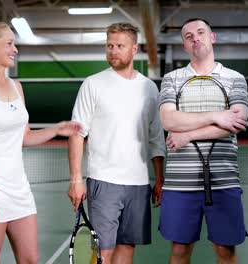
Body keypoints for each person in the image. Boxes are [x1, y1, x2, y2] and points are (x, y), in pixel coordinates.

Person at [0, 21, 82, 263]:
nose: (15, 49)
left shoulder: (17, 87)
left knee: (30, 259)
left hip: (19, 187)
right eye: (9, 43)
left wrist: (57, 128)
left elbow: (25, 137)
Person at [67, 22, 165, 264]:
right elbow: (77, 133)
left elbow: (155, 137)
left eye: (120, 46)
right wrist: (76, 179)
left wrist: (159, 179)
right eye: (109, 45)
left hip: (139, 183)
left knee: (127, 248)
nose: (113, 51)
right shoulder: (93, 84)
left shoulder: (149, 88)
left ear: (134, 49)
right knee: (103, 252)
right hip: (104, 181)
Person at [158, 18, 248, 264]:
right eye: (188, 36)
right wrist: (216, 116)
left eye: (200, 32)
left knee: (225, 250)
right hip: (180, 183)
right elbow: (168, 120)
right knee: (179, 249)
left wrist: (187, 134)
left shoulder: (235, 79)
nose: (195, 38)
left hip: (224, 180)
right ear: (184, 45)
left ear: (212, 37)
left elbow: (236, 124)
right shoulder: (171, 79)